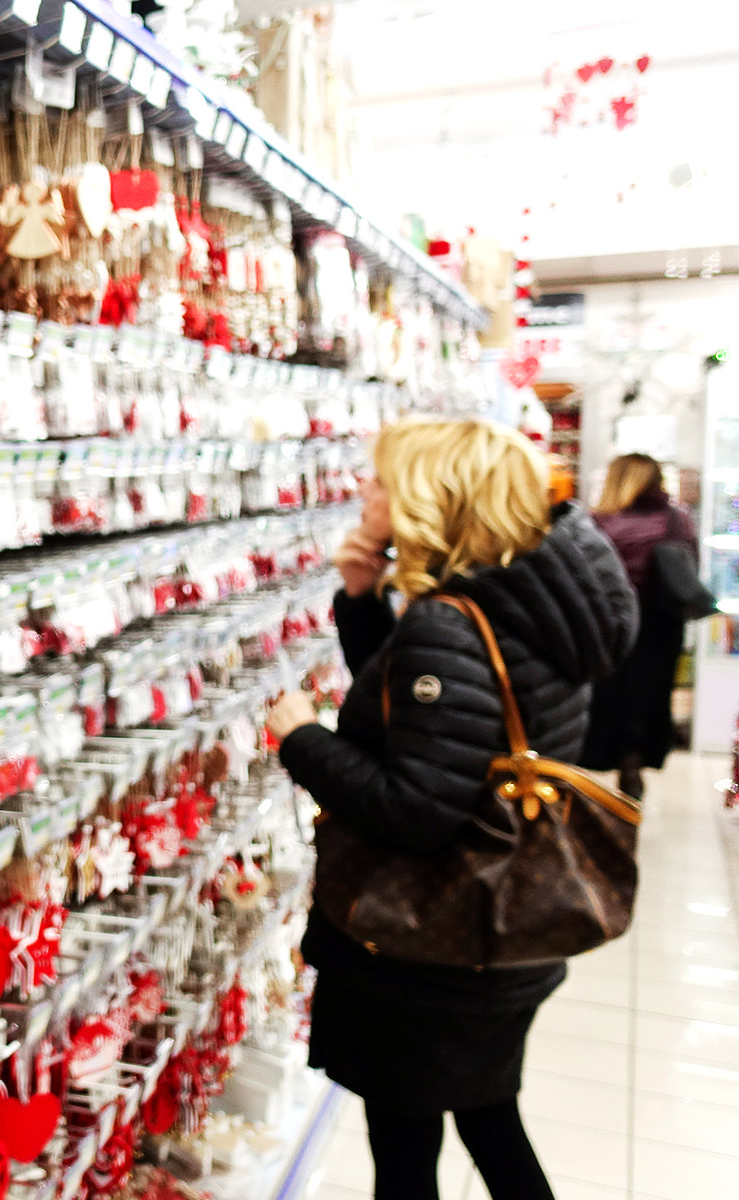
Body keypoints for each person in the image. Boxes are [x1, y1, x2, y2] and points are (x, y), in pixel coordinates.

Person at [265, 418, 637, 1200]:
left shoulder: (449, 621)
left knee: (411, 1149)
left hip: (425, 947)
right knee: (487, 1116)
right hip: (498, 927)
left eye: (380, 480)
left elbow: (415, 807)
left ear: (427, 497)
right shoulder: (523, 599)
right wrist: (362, 603)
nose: (364, 491)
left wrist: (300, 738)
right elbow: (434, 721)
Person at [581, 452, 698, 798]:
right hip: (660, 620)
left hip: (608, 619)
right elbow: (690, 564)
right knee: (649, 694)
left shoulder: (598, 523)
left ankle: (596, 758)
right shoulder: (677, 519)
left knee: (607, 691)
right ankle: (634, 762)